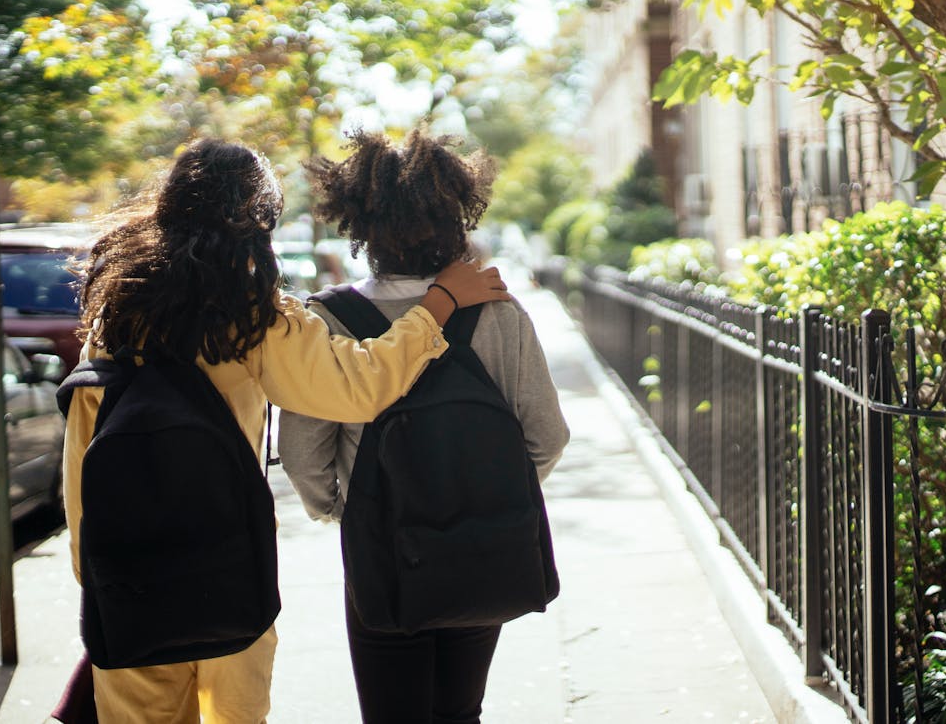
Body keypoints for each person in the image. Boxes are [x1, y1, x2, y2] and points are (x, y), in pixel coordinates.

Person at [62, 138, 511, 724]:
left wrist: (92, 571)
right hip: (224, 563)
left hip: (124, 566)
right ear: (258, 218)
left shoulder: (115, 302)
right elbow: (359, 385)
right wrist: (439, 305)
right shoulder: (247, 317)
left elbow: (84, 440)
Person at [278, 129, 569, 724]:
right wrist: (493, 492)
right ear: (457, 216)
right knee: (461, 712)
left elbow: (304, 450)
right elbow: (547, 434)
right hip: (482, 540)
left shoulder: (330, 318)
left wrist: (342, 508)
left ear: (360, 226)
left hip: (381, 547)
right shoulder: (499, 311)